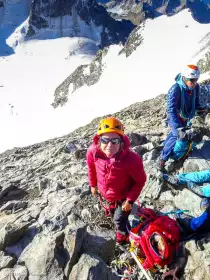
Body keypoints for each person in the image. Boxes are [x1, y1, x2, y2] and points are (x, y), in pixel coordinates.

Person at [86, 117, 146, 243]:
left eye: (115, 140)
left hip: (124, 195)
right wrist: (93, 185)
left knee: (119, 219)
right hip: (106, 192)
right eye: (105, 140)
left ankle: (122, 234)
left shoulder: (132, 159)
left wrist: (129, 200)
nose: (109, 145)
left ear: (121, 142)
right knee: (113, 210)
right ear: (99, 140)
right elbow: (91, 168)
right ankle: (113, 208)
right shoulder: (93, 152)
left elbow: (140, 181)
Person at [159, 64, 204, 170]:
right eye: (191, 80)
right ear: (184, 77)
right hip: (175, 116)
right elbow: (171, 110)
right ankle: (162, 159)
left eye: (196, 79)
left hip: (187, 116)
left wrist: (201, 110)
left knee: (177, 134)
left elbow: (196, 102)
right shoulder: (175, 89)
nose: (194, 82)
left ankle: (165, 145)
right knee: (176, 135)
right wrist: (178, 127)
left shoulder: (196, 87)